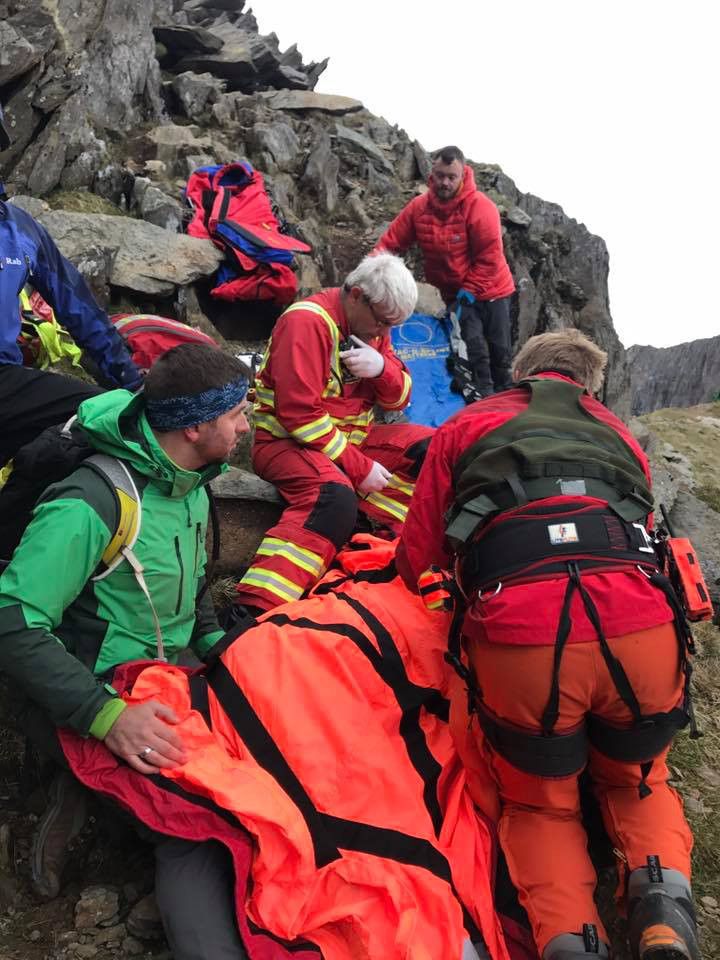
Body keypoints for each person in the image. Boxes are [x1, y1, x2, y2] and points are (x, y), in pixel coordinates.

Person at [396, 330, 699, 960]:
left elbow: (416, 553)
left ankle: (571, 943)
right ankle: (664, 922)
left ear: (520, 376)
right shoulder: (616, 432)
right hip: (642, 627)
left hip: (522, 637)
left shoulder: (466, 427)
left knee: (540, 806)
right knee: (639, 779)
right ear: (587, 386)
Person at [0, 343, 252, 960]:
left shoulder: (189, 479)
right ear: (195, 425)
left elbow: (187, 589)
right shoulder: (93, 502)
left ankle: (102, 799)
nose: (248, 426)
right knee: (200, 824)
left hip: (169, 674)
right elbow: (10, 620)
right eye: (238, 413)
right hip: (102, 689)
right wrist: (106, 717)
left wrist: (224, 650)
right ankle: (80, 785)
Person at [234, 253, 434, 615]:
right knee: (332, 498)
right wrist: (358, 467)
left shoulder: (370, 328)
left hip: (348, 443)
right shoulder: (306, 323)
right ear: (356, 295)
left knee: (430, 451)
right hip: (286, 445)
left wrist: (383, 369)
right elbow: (299, 418)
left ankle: (385, 546)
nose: (383, 334)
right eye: (382, 322)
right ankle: (253, 608)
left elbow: (400, 397)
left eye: (392, 326)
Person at [0, 102, 141, 471]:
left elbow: (79, 308)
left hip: (5, 382)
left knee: (107, 418)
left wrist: (130, 382)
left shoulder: (20, 229)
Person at [376, 144, 515, 398]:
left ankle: (506, 402)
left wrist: (469, 293)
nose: (445, 183)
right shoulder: (419, 208)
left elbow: (490, 258)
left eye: (452, 177)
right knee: (473, 353)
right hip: (456, 294)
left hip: (493, 291)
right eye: (440, 176)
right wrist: (369, 272)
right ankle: (482, 404)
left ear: (463, 176)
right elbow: (391, 242)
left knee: (500, 353)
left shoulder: (480, 208)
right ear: (432, 174)